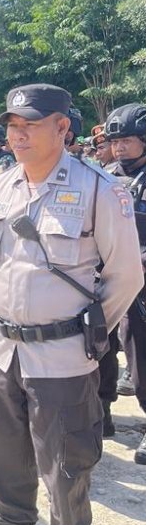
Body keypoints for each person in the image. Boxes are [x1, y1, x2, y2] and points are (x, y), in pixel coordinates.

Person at [0, 84, 142, 525]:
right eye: (11, 123)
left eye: (30, 123)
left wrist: (84, 334)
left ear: (62, 127)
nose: (17, 133)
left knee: (66, 474)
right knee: (2, 463)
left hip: (62, 360)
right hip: (2, 353)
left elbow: (127, 277)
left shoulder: (99, 191)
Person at [104, 103, 146, 464]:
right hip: (105, 278)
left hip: (142, 281)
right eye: (115, 141)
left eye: (127, 140)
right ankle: (101, 411)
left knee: (141, 352)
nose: (119, 147)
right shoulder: (105, 175)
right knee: (100, 347)